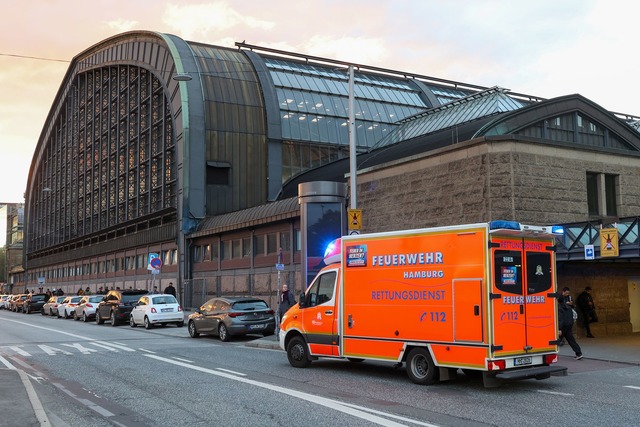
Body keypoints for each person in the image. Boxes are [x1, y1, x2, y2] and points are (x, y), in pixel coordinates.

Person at [558, 287, 583, 360]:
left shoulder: (559, 308)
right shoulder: (568, 307)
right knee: (571, 339)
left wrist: (559, 328)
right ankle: (579, 353)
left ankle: (551, 354)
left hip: (563, 326)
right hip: (569, 325)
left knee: (556, 340)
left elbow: (560, 319)